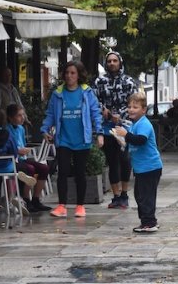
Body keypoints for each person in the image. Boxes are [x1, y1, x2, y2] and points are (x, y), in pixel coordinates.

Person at [42, 60, 103, 219]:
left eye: (73, 73)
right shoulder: (58, 93)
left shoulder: (86, 92)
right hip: (63, 139)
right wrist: (44, 129)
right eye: (67, 73)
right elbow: (50, 114)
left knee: (80, 173)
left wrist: (100, 132)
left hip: (82, 139)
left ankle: (80, 206)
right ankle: (61, 206)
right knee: (62, 172)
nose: (69, 76)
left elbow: (95, 112)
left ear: (79, 75)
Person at [113, 92, 163, 233]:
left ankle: (149, 223)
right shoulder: (134, 125)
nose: (131, 109)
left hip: (150, 167)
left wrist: (126, 135)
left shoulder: (144, 124)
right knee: (140, 195)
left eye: (135, 107)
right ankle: (148, 221)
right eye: (129, 106)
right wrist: (121, 139)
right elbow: (131, 142)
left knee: (145, 196)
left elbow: (140, 140)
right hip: (141, 168)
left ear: (143, 110)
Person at [92, 51, 136, 209]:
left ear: (120, 62)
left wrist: (121, 115)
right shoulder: (99, 81)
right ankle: (116, 196)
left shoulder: (129, 81)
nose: (112, 63)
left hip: (125, 124)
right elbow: (94, 100)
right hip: (107, 126)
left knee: (125, 159)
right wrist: (104, 111)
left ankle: (124, 194)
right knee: (112, 161)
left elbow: (134, 101)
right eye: (109, 61)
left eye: (114, 61)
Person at [7, 103, 52, 212]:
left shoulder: (21, 129)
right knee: (30, 169)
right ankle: (26, 199)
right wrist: (18, 151)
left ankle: (36, 199)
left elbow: (23, 144)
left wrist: (25, 150)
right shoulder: (7, 129)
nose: (22, 118)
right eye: (19, 115)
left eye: (23, 115)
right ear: (11, 117)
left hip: (22, 158)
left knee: (44, 168)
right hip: (12, 159)